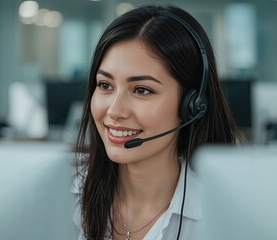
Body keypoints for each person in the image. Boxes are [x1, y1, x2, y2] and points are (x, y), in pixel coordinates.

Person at [72, 4, 241, 240]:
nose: (115, 110)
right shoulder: (61, 195)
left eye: (141, 90)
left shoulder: (226, 218)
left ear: (191, 104)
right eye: (105, 85)